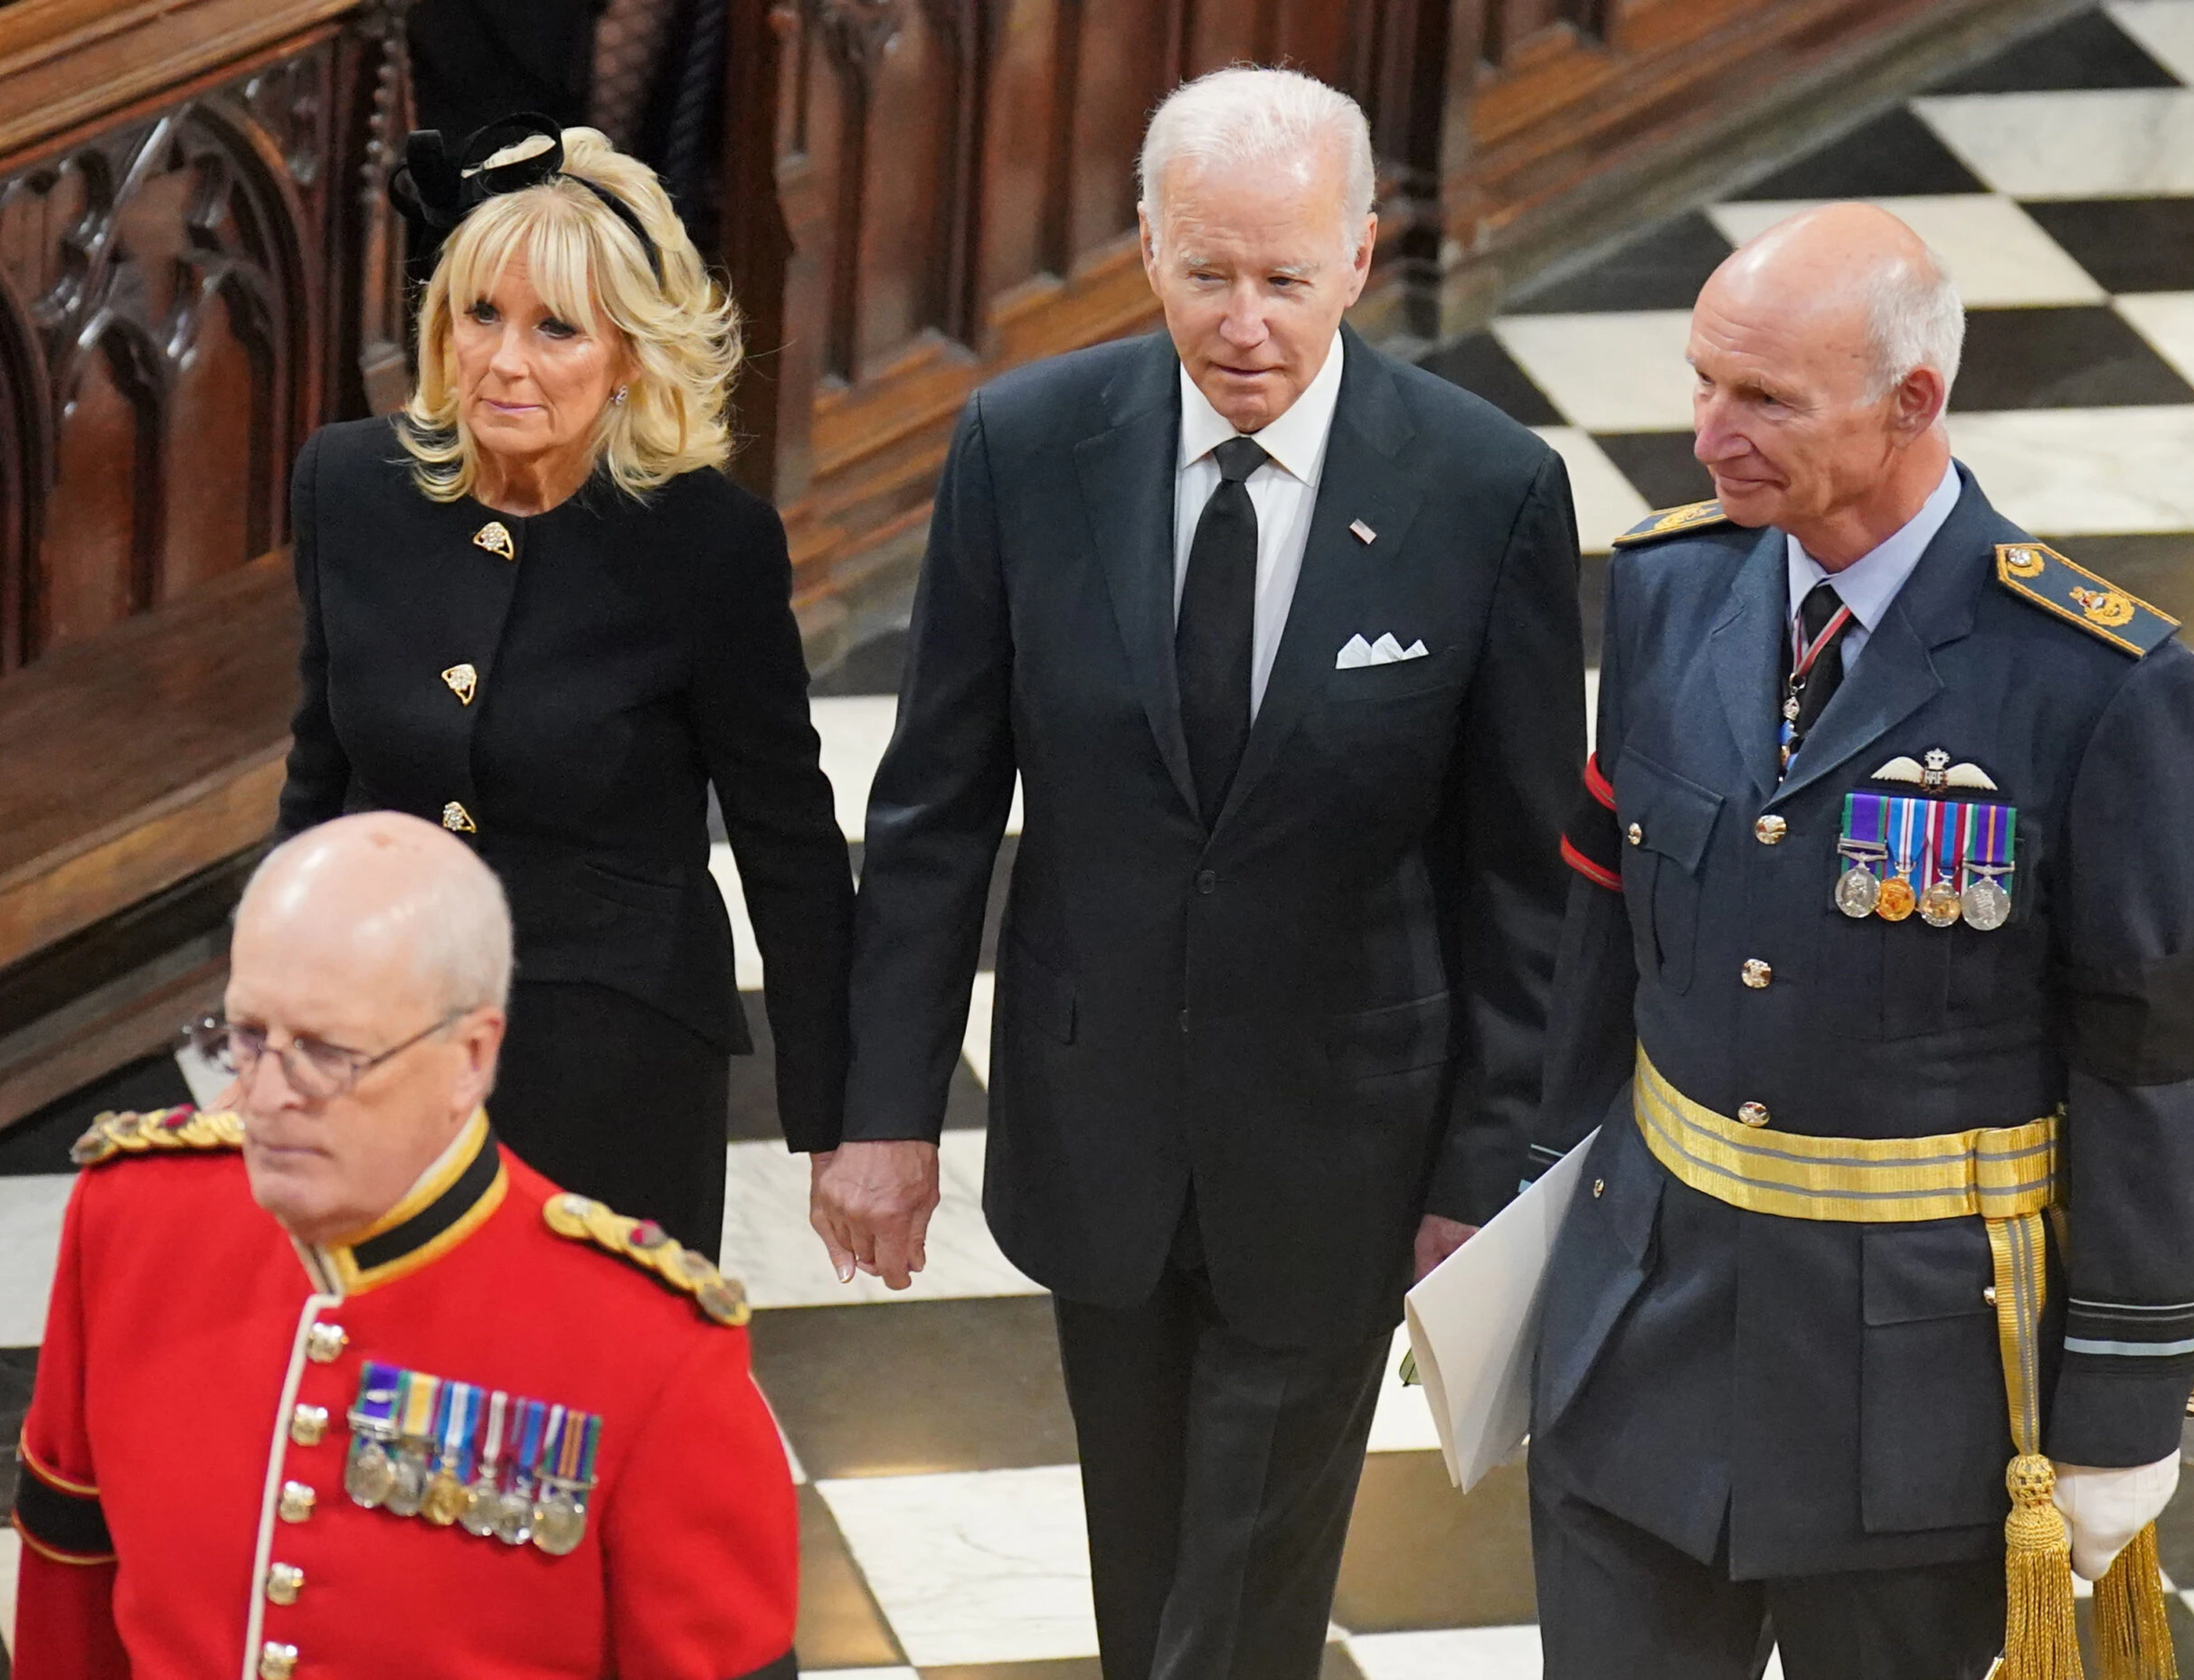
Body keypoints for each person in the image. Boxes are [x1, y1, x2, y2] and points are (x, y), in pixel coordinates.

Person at [814, 66, 1588, 1680]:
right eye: (1207, 272)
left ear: (1362, 259)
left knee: (1238, 1583)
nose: (1245, 322)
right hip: (1097, 1128)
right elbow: (937, 806)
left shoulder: (1483, 487)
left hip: (1346, 1148)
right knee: (1149, 1547)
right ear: (1148, 248)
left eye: (1287, 279)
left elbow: (1523, 878)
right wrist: (884, 1113)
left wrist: (1483, 1170)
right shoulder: (1022, 448)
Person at [1526, 203, 2194, 1679]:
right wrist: (1528, 1217)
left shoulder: (2095, 684)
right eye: (1703, 379)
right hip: (1640, 1330)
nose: (1709, 433)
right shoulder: (1669, 589)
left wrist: (2124, 1401)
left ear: (1913, 402)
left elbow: (2145, 1064)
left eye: (1764, 398)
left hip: (1913, 1395)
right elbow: (1606, 936)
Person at [7, 812, 798, 1679]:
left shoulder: (651, 1354)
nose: (264, 1096)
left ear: (470, 1055)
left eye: (324, 1053)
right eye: (245, 1037)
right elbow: (69, 1579)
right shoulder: (133, 1220)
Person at [276, 117, 853, 1259]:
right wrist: (271, 1025)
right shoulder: (349, 486)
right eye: (480, 314)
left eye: (557, 329)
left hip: (614, 1061)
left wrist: (846, 1122)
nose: (505, 360)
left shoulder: (707, 547)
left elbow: (789, 841)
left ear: (631, 353)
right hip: (381, 1046)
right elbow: (317, 775)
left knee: (583, 1415)